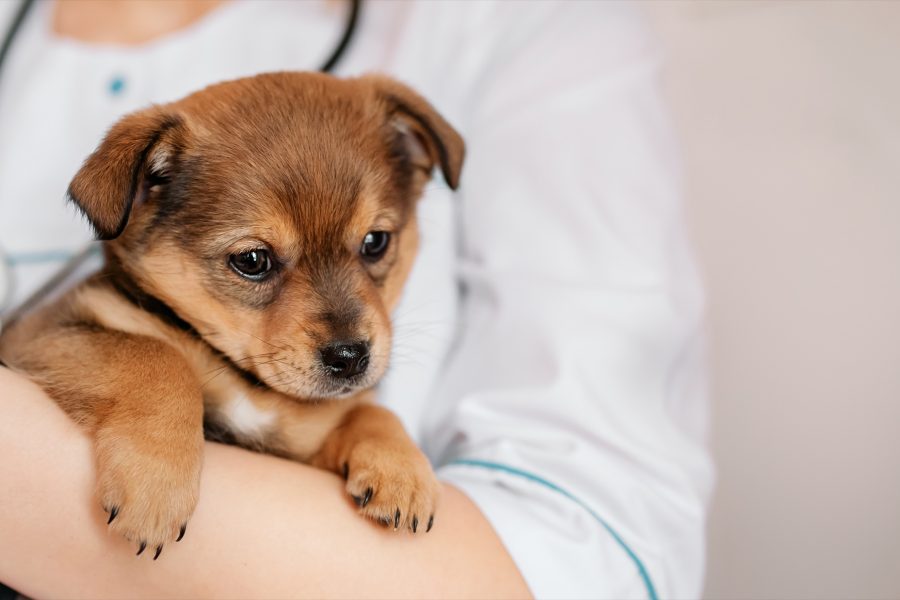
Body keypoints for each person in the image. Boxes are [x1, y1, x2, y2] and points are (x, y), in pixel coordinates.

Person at [0, 1, 713, 598]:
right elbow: (40, 350)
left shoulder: (522, 26)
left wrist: (369, 435)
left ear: (417, 163)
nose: (346, 330)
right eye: (254, 262)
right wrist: (151, 404)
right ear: (143, 199)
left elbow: (593, 553)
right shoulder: (128, 299)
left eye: (374, 246)